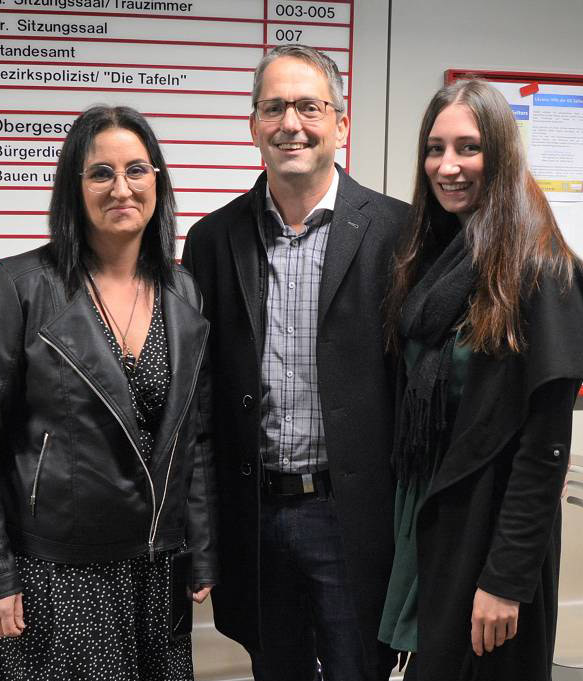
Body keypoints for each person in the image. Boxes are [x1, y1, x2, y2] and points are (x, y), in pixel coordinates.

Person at [0, 105, 217, 681]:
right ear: (75, 185)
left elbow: (196, 435)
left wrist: (202, 549)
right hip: (54, 573)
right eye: (101, 173)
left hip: (153, 568)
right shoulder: (22, 284)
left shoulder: (183, 290)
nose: (122, 187)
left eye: (137, 170)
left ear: (157, 181)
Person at [181, 45, 406, 681]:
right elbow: (199, 396)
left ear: (341, 122)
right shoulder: (212, 240)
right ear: (253, 124)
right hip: (256, 516)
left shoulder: (398, 232)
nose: (292, 123)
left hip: (353, 515)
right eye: (274, 107)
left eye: (310, 106)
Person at [379, 78, 583, 681]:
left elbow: (544, 450)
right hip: (433, 523)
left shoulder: (543, 274)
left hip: (490, 540)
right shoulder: (437, 260)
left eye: (468, 148)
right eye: (434, 148)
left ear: (501, 155)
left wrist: (504, 581)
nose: (447, 166)